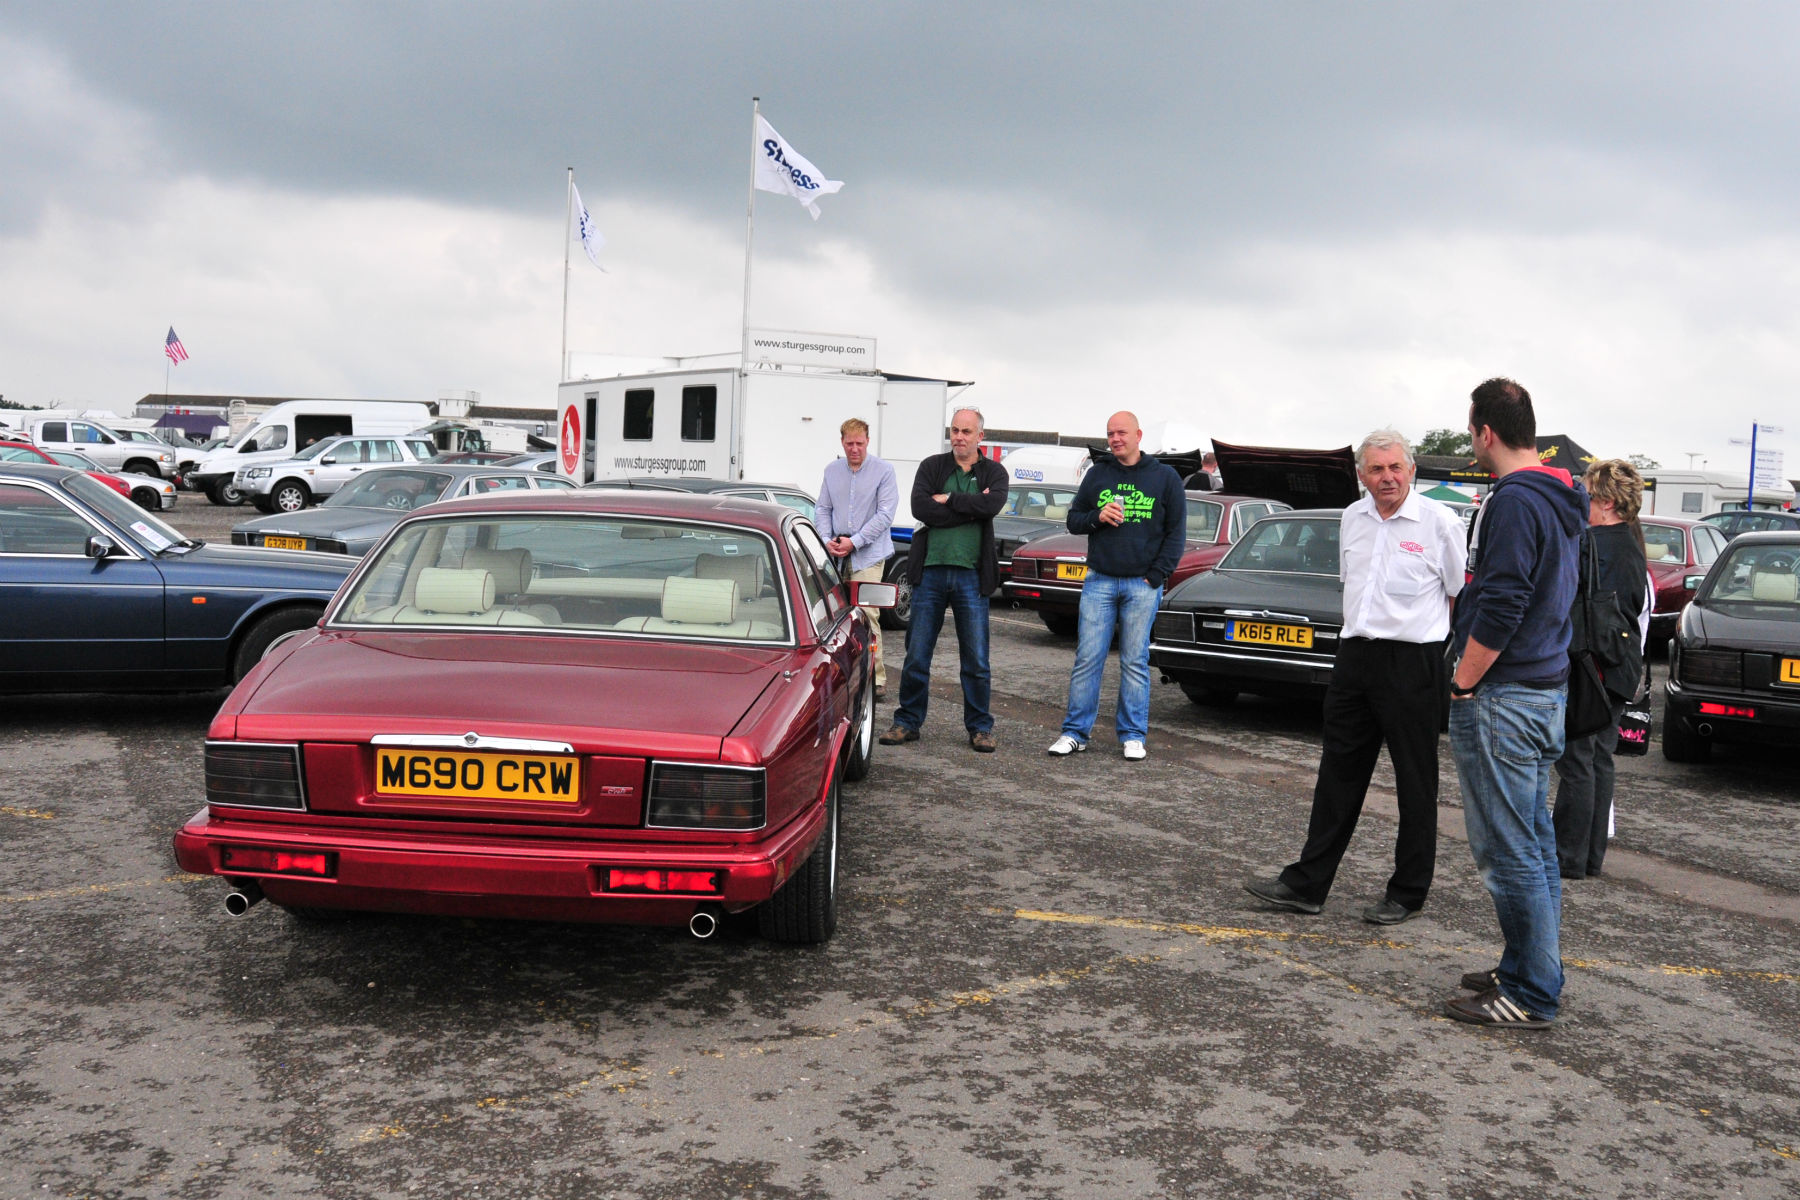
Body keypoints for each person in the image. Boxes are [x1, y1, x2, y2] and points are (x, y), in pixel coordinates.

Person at [1244, 430, 1466, 923]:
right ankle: (1307, 885)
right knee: (1337, 776)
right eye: (1376, 469)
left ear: (1411, 471)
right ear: (1362, 475)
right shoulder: (1352, 517)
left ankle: (1407, 892)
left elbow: (1456, 587)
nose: (1386, 477)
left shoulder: (1440, 522)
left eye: (1395, 468)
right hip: (1354, 657)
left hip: (1414, 662)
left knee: (1415, 782)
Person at [1444, 378, 1586, 1030]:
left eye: (1472, 429)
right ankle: (1529, 966)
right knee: (1531, 845)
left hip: (1505, 696)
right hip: (1542, 690)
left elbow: (1503, 601)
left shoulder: (1515, 501)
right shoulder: (1559, 495)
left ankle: (1530, 993)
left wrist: (1464, 681)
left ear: (1485, 433)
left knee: (1510, 853)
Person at [1046, 411, 1186, 761]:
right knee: (1088, 659)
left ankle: (1133, 735)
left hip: (1142, 585)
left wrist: (1155, 577)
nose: (1115, 439)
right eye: (1110, 433)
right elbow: (1074, 521)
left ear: (1138, 435)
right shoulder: (1099, 474)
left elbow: (1176, 534)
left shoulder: (1164, 477)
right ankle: (1075, 733)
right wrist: (1098, 516)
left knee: (1134, 661)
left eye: (1122, 432)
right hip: (1099, 581)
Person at [880, 407, 1009, 753]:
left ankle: (980, 727)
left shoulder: (994, 472)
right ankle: (907, 721)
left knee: (976, 659)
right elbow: (921, 508)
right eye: (954, 430)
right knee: (917, 654)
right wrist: (970, 507)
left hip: (971, 575)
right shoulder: (931, 466)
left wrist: (950, 500)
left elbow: (991, 506)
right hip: (931, 574)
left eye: (966, 431)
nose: (959, 437)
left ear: (980, 436)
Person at [1552, 459, 1648, 879]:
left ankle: (1566, 857)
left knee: (1577, 759)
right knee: (1599, 759)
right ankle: (1590, 858)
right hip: (1620, 662)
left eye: (1588, 496)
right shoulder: (1632, 544)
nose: (1583, 504)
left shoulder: (1591, 544)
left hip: (1589, 663)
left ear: (1607, 503)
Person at [816, 418, 900, 698]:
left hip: (869, 554)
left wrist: (856, 542)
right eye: (850, 444)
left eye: (859, 444)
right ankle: (841, 676)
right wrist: (825, 540)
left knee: (868, 615)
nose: (855, 449)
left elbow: (885, 515)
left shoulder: (884, 471)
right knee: (833, 617)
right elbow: (823, 509)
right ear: (842, 442)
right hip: (836, 553)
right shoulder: (831, 470)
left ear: (868, 441)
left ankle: (875, 679)